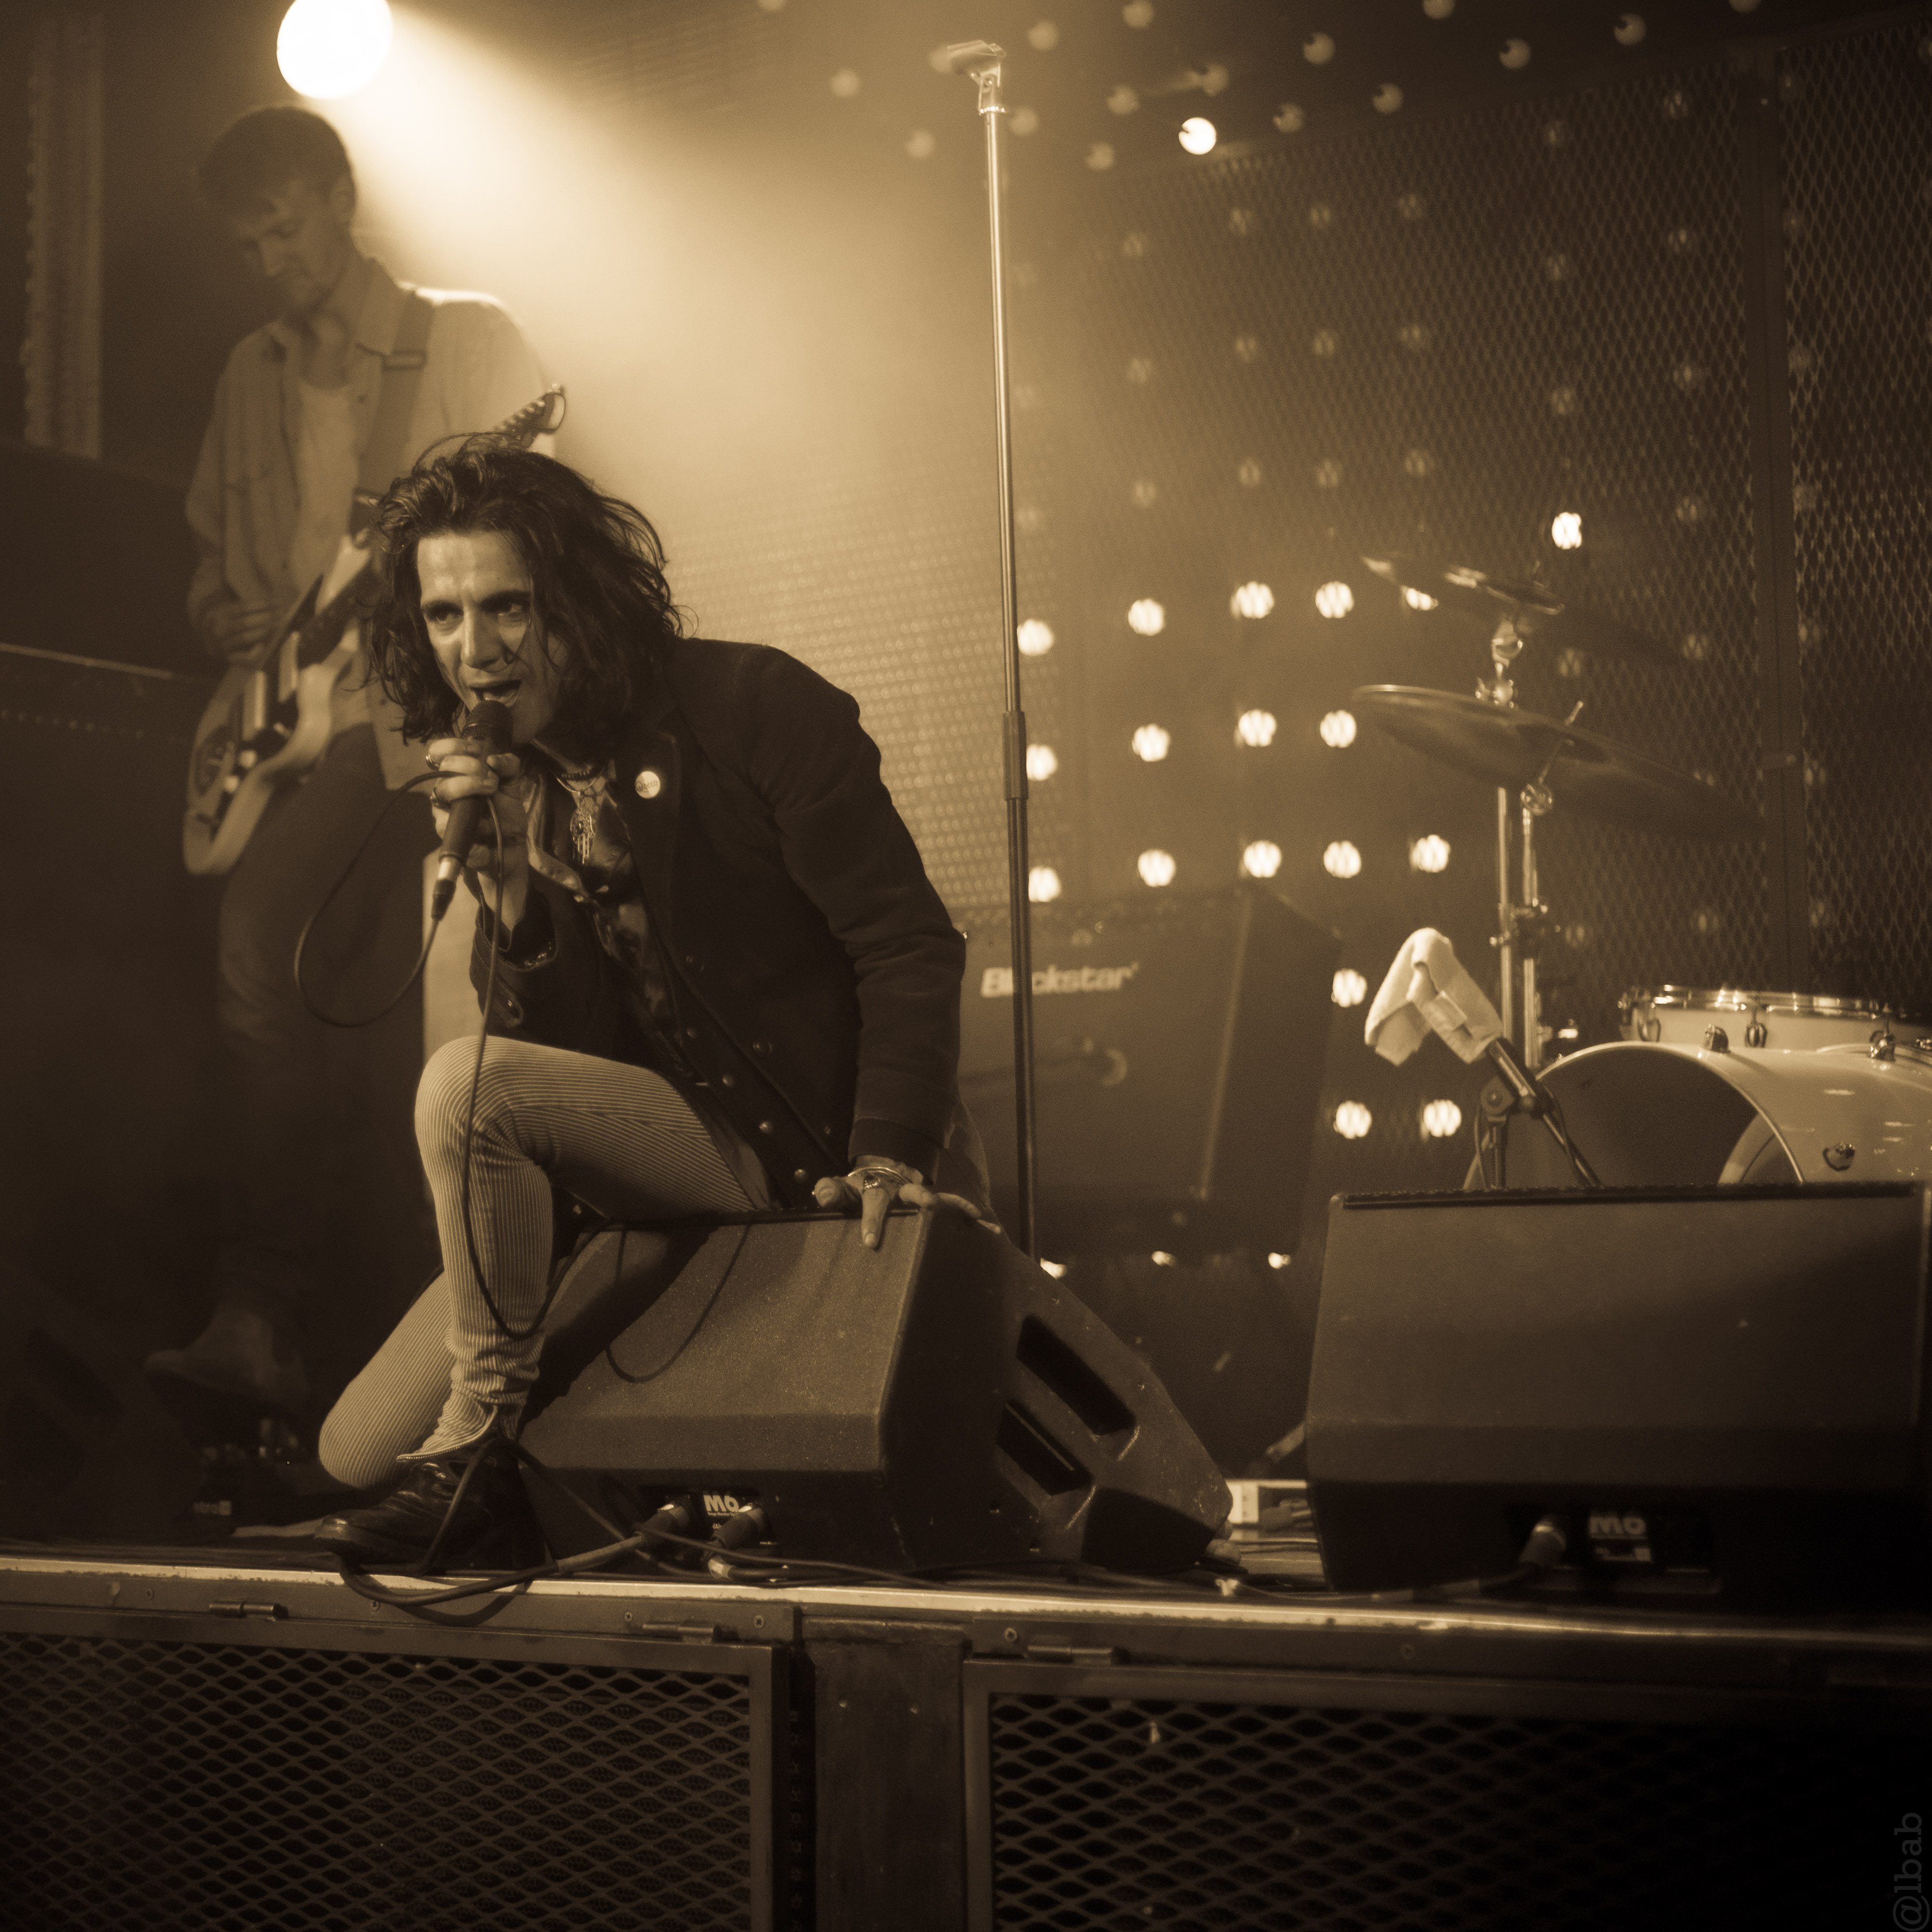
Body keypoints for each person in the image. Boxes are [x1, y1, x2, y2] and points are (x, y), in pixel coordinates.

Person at [311, 440, 989, 1565]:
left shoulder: (753, 708)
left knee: (462, 1084)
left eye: (508, 605)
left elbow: (906, 941)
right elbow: (564, 1069)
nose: (475, 650)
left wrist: (888, 1151)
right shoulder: (520, 790)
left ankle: (482, 1450)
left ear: (579, 595)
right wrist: (513, 900)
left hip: (801, 1147)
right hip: (660, 1176)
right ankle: (500, 1464)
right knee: (354, 1450)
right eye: (443, 616)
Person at [146, 106, 548, 1413]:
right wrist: (219, 614)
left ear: (342, 199)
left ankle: (309, 1318)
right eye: (248, 243)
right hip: (296, 729)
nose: (272, 259)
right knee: (287, 987)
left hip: (423, 722)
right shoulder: (246, 376)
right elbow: (214, 565)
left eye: (285, 227)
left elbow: (538, 536)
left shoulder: (466, 339)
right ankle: (298, 1328)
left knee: (317, 978)